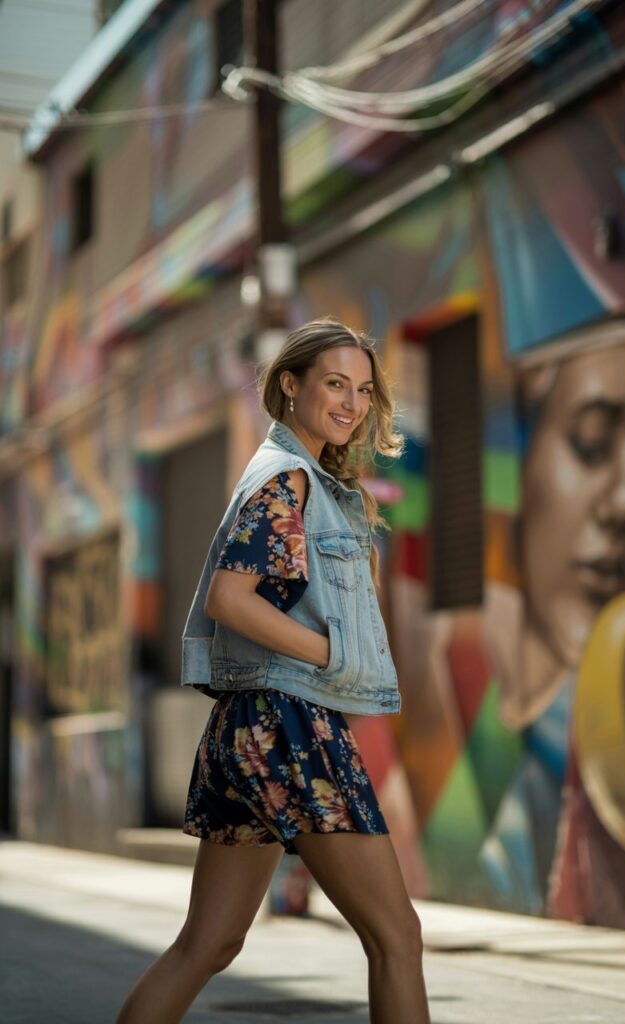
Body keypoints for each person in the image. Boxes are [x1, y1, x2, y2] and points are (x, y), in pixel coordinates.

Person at [116, 318, 431, 1024]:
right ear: (290, 385)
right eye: (334, 384)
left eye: (362, 390)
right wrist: (334, 655)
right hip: (287, 724)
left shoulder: (299, 475)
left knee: (208, 942)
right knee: (396, 936)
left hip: (248, 727)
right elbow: (233, 598)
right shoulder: (287, 479)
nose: (351, 404)